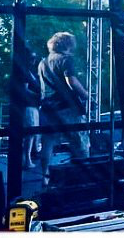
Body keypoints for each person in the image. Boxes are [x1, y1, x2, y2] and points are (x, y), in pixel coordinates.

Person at [38, 32, 89, 184]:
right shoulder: (65, 59)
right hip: (67, 108)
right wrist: (86, 95)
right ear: (68, 44)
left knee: (47, 143)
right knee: (80, 143)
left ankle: (45, 177)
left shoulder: (43, 62)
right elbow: (71, 81)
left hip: (47, 108)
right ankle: (82, 177)